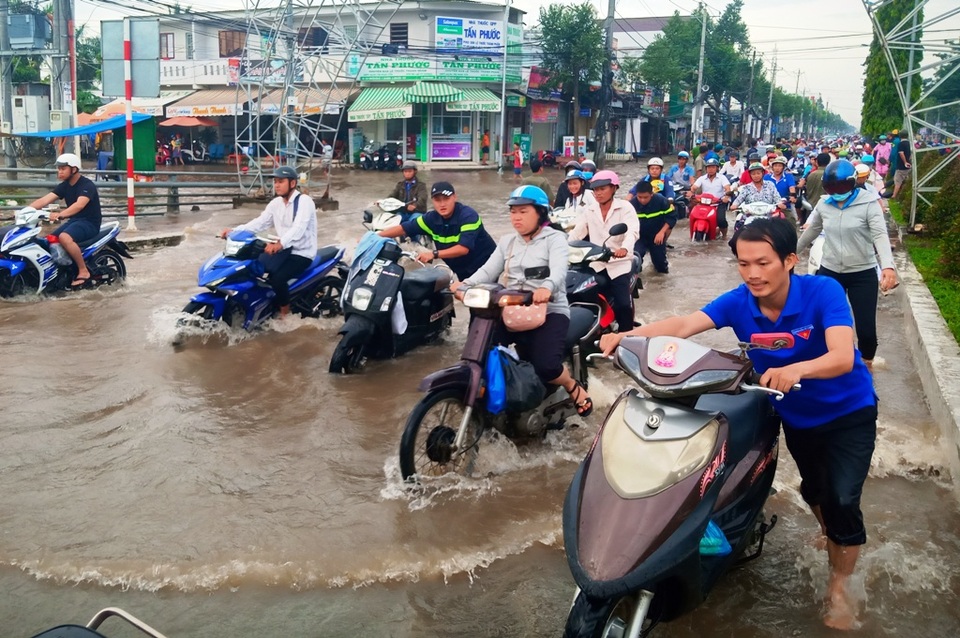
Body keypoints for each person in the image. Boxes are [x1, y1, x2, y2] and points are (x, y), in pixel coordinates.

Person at [600, 217, 879, 631]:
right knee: (816, 489)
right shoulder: (738, 302)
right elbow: (683, 327)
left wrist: (798, 369)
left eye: (762, 263)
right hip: (796, 417)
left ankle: (839, 585)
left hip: (848, 412)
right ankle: (829, 533)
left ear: (789, 260)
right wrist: (628, 335)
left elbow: (842, 355)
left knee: (842, 496)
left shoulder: (824, 292)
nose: (752, 273)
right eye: (744, 264)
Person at [454, 186, 593, 416]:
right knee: (478, 352)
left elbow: (559, 270)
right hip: (511, 309)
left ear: (540, 213)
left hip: (549, 312)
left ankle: (571, 385)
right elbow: (488, 270)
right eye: (513, 211)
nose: (516, 217)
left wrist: (546, 288)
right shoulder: (507, 241)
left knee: (547, 366)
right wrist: (464, 284)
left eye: (523, 211)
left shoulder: (556, 239)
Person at [797, 160, 898, 368]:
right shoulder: (824, 204)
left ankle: (866, 367)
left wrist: (888, 266)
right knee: (821, 321)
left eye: (841, 187)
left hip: (862, 273)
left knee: (866, 330)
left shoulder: (869, 203)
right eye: (831, 188)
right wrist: (789, 254)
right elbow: (812, 232)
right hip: (830, 271)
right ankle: (826, 364)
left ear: (853, 184)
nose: (836, 192)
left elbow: (880, 235)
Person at [219, 166, 317, 318]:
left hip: (301, 252)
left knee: (277, 279)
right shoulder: (276, 203)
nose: (276, 185)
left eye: (281, 181)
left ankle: (285, 313)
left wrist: (280, 243)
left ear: (292, 183)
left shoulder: (304, 201)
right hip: (282, 250)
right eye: (275, 181)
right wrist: (234, 231)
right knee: (251, 268)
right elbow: (259, 223)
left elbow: (299, 227)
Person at [378, 181, 496, 282]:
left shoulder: (468, 216)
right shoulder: (431, 218)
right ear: (433, 201)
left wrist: (433, 254)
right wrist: (376, 236)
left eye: (446, 199)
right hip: (461, 268)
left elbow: (463, 249)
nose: (442, 204)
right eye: (437, 200)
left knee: (480, 304)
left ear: (455, 197)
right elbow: (404, 228)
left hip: (485, 265)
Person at [569, 170, 640, 331]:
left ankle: (626, 336)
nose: (598, 193)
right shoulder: (590, 210)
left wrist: (624, 248)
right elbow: (577, 232)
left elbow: (632, 232)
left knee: (623, 305)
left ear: (614, 188)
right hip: (595, 264)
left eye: (602, 189)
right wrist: (561, 247)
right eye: (595, 189)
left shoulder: (625, 208)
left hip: (618, 263)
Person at [28, 153, 102, 289]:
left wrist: (60, 215)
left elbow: (79, 205)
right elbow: (44, 200)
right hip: (75, 222)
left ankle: (83, 270)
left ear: (73, 169)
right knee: (49, 240)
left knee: (64, 237)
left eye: (63, 168)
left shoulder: (87, 185)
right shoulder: (64, 186)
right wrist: (25, 211)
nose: (59, 172)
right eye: (59, 169)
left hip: (89, 223)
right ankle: (60, 273)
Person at [631, 180, 676, 274]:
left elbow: (671, 217)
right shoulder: (632, 205)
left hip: (657, 235)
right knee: (635, 260)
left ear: (651, 194)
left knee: (661, 266)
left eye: (645, 197)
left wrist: (662, 232)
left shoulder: (661, 201)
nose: (642, 200)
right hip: (639, 237)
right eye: (640, 197)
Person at [690, 157, 732, 238]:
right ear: (706, 169)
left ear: (717, 168)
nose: (711, 169)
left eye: (713, 167)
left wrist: (726, 196)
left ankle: (724, 236)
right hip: (705, 203)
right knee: (693, 214)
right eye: (709, 167)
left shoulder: (722, 177)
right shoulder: (702, 178)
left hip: (719, 202)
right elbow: (694, 187)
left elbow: (727, 188)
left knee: (721, 220)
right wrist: (692, 192)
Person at [765, 156, 799, 225]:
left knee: (792, 223)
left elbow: (792, 187)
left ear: (783, 167)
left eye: (780, 166)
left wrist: (792, 196)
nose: (777, 168)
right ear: (772, 167)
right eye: (775, 166)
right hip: (769, 205)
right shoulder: (766, 177)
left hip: (785, 204)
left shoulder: (788, 176)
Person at [892, 133, 912, 199]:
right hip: (908, 166)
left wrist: (905, 162)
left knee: (897, 181)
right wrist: (909, 161)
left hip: (901, 166)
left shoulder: (901, 144)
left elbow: (901, 153)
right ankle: (904, 195)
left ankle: (894, 196)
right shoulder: (909, 143)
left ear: (900, 136)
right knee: (907, 180)